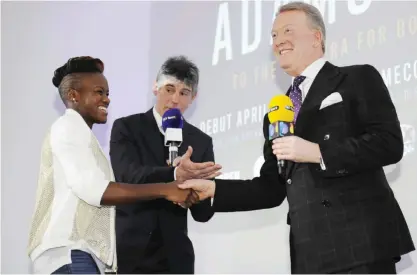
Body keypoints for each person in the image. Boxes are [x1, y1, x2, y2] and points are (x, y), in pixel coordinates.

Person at [179, 2, 415, 274]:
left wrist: (318, 152)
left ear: (316, 37)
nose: (278, 41)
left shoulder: (356, 78)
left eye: (287, 30)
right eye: (274, 36)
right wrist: (213, 190)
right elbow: (271, 188)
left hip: (360, 244)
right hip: (308, 255)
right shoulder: (276, 114)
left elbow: (389, 143)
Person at [27, 56, 197, 274]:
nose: (106, 100)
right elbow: (94, 190)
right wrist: (166, 190)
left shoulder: (83, 136)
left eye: (107, 94)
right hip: (69, 254)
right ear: (73, 95)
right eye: (99, 92)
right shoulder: (68, 127)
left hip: (81, 255)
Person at [109, 55, 221, 274]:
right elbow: (127, 177)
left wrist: (195, 190)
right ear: (155, 87)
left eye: (184, 93)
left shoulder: (200, 141)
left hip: (176, 260)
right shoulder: (127, 127)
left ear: (194, 97)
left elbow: (203, 214)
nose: (175, 100)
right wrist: (175, 173)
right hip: (130, 254)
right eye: (169, 89)